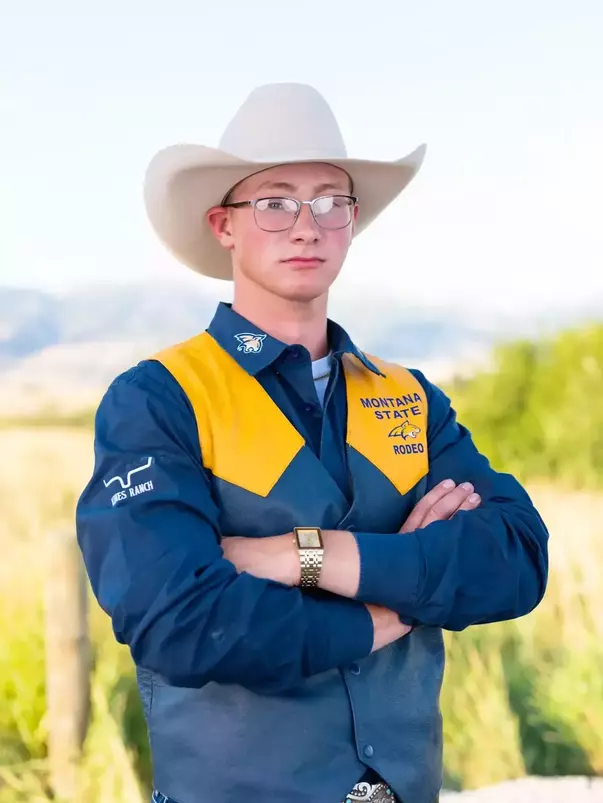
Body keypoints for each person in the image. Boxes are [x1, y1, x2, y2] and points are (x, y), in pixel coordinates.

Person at [76, 83, 549, 803]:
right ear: (223, 225)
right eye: (274, 201)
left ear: (351, 222)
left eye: (331, 201)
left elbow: (515, 556)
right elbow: (180, 620)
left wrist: (304, 556)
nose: (306, 226)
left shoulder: (409, 397)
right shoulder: (159, 398)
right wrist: (395, 607)